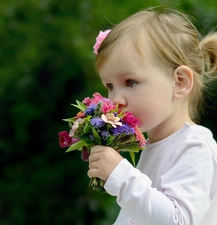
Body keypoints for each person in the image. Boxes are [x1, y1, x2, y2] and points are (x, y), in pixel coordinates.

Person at [87, 6, 217, 225]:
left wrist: (121, 176)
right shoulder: (153, 145)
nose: (115, 99)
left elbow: (178, 220)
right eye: (110, 86)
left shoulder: (195, 147)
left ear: (180, 82)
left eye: (130, 82)